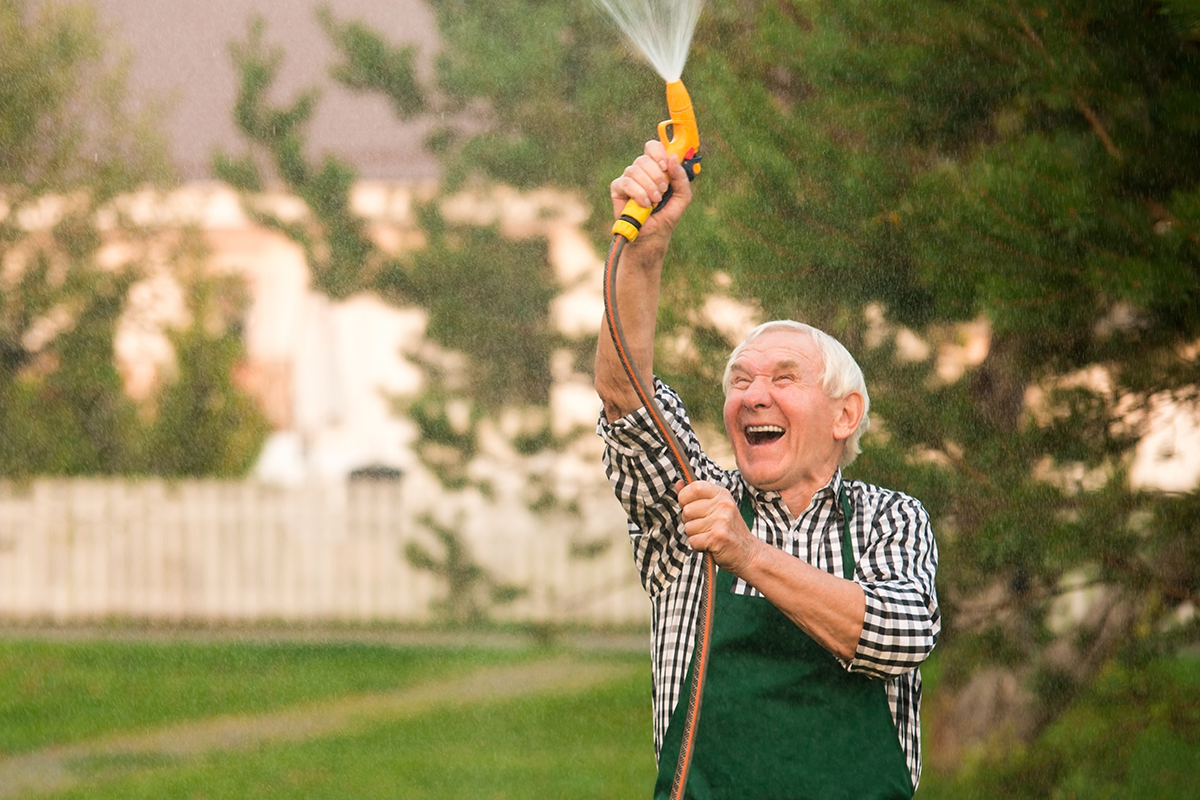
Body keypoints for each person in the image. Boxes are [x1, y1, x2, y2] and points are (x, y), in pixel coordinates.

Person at [595, 140, 940, 799]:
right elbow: (625, 396)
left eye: (784, 378)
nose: (754, 395)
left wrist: (747, 554)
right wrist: (644, 248)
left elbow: (899, 636)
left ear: (845, 415)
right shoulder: (692, 508)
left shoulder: (888, 519)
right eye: (741, 381)